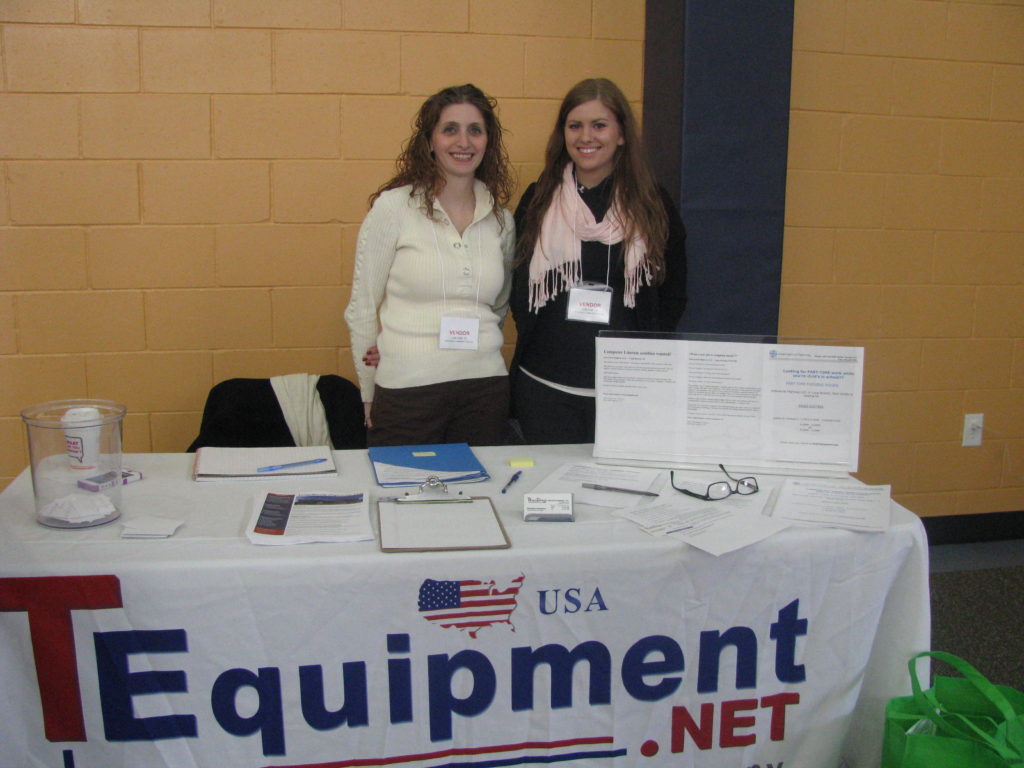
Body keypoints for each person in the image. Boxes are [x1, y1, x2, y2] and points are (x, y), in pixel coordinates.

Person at [510, 78, 687, 444]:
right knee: (553, 496)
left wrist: (643, 358)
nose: (586, 136)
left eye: (599, 125)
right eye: (575, 126)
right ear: (563, 134)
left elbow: (673, 291)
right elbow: (517, 280)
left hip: (626, 391)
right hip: (545, 386)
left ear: (621, 134)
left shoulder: (652, 203)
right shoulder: (540, 198)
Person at [344, 84, 516, 447]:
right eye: (450, 129)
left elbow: (498, 305)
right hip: (407, 390)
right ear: (430, 140)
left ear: (488, 141)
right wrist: (368, 390)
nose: (463, 142)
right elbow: (361, 307)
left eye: (475, 130)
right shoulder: (393, 209)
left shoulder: (501, 220)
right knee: (400, 498)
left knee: (476, 500)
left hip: (483, 390)